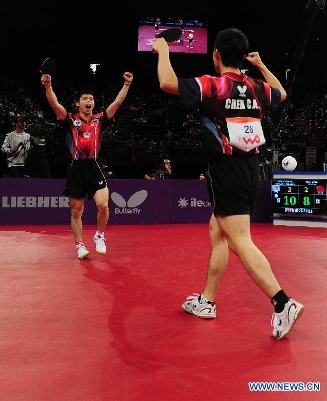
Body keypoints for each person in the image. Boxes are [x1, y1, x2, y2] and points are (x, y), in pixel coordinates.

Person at [152, 27, 304, 340]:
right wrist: (261, 65)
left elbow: (167, 82)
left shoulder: (215, 84)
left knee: (239, 240)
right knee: (217, 231)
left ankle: (282, 302)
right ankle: (207, 301)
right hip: (251, 169)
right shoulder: (257, 85)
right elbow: (283, 94)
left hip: (227, 168)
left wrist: (163, 49)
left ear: (217, 55)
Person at [41, 71, 133, 259]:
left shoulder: (99, 119)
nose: (88, 101)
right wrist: (48, 86)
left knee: (103, 205)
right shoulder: (70, 120)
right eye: (84, 98)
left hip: (94, 166)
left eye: (91, 98)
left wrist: (127, 85)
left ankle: (99, 235)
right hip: (76, 167)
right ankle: (80, 245)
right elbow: (54, 104)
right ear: (78, 103)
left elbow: (117, 104)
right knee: (77, 209)